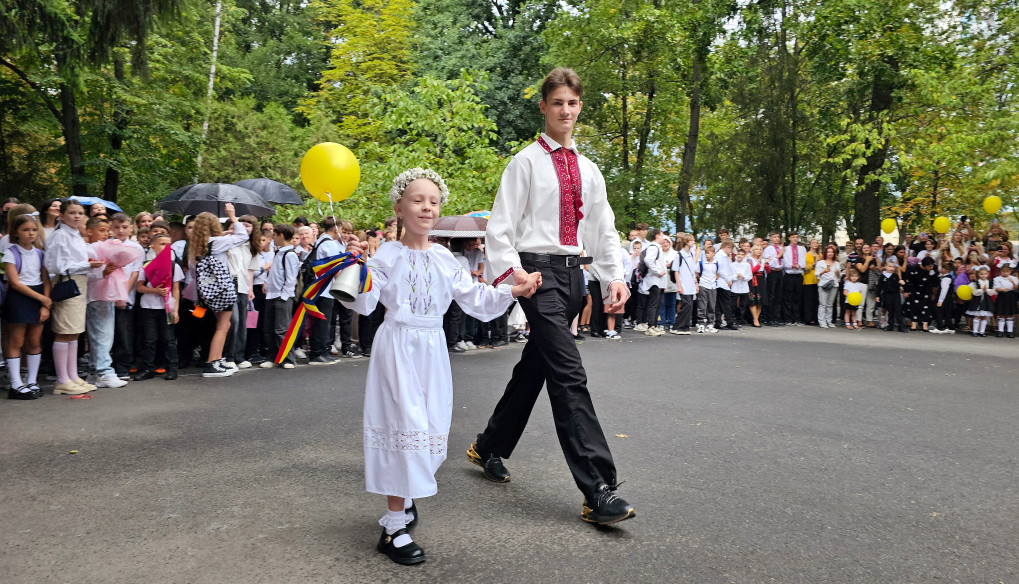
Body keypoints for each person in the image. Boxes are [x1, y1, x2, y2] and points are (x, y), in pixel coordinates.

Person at [341, 168, 538, 565]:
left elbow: (474, 297)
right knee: (403, 429)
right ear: (399, 207)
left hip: (432, 351)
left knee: (429, 428)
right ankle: (394, 527)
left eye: (433, 201)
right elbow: (363, 301)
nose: (426, 207)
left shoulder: (445, 257)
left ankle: (405, 497)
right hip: (397, 349)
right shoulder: (386, 255)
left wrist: (513, 290)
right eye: (417, 200)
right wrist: (356, 267)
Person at [469, 68, 637, 527]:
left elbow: (603, 228)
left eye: (573, 103)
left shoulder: (590, 169)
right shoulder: (524, 162)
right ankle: (597, 489)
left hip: (573, 276)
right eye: (557, 102)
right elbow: (501, 227)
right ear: (544, 107)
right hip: (537, 276)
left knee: (536, 367)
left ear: (580, 107)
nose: (565, 110)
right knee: (568, 373)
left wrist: (613, 277)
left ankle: (488, 445)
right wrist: (515, 274)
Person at [45, 200, 104, 395]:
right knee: (65, 330)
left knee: (75, 331)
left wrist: (88, 263)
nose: (77, 216)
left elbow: (75, 261)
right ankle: (62, 379)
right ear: (62, 216)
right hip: (67, 282)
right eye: (72, 213)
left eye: (80, 213)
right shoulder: (60, 236)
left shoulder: (76, 234)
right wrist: (87, 265)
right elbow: (56, 266)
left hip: (79, 281)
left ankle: (72, 375)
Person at [188, 205, 249, 377]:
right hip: (223, 290)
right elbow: (243, 236)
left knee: (223, 325)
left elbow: (193, 272)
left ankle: (217, 359)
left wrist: (224, 234)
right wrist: (233, 217)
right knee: (223, 326)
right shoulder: (217, 243)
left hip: (208, 293)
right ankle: (212, 363)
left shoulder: (196, 247)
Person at [3, 213, 51, 399]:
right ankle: (16, 384)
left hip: (38, 296)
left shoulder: (40, 253)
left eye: (34, 230)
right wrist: (43, 299)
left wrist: (45, 304)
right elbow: (15, 283)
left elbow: (45, 280)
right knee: (17, 341)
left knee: (34, 341)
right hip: (19, 297)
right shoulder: (11, 253)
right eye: (25, 230)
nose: (31, 233)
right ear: (15, 232)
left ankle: (32, 380)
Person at [133, 233, 182, 380]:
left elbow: (176, 289)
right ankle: (148, 368)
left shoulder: (174, 266)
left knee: (168, 339)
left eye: (168, 244)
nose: (166, 247)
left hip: (167, 308)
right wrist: (155, 291)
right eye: (162, 244)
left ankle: (172, 368)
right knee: (149, 339)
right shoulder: (147, 266)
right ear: (153, 247)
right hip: (148, 307)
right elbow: (139, 287)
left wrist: (176, 310)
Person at [260, 224, 300, 369]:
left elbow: (291, 278)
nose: (273, 238)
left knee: (282, 329)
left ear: (281, 235)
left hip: (282, 296)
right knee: (269, 328)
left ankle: (288, 358)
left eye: (275, 235)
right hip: (272, 295)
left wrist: (284, 296)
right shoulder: (279, 253)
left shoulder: (289, 255)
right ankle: (273, 357)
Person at [307, 216, 344, 365]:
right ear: (335, 229)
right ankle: (318, 352)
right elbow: (334, 267)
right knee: (323, 322)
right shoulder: (330, 244)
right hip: (325, 288)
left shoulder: (320, 241)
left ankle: (322, 350)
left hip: (319, 287)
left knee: (322, 321)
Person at [635, 228, 666, 335]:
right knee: (653, 303)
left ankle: (654, 325)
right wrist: (658, 271)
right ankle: (651, 326)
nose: (663, 238)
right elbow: (648, 260)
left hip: (658, 281)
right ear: (657, 236)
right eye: (661, 235)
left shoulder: (657, 247)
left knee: (658, 303)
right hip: (654, 280)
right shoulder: (653, 247)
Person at [670, 233, 697, 335]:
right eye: (692, 240)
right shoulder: (679, 255)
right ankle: (678, 326)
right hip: (683, 283)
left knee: (689, 306)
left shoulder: (692, 254)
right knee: (686, 304)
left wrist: (695, 283)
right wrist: (679, 285)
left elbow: (693, 270)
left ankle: (685, 326)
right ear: (687, 242)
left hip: (690, 283)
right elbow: (676, 271)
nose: (693, 242)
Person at [781, 233, 807, 326]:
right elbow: (784, 262)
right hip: (789, 274)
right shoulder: (786, 249)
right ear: (789, 238)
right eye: (793, 237)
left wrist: (799, 265)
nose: (795, 239)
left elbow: (803, 262)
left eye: (796, 237)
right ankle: (787, 318)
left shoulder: (802, 249)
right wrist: (791, 265)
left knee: (797, 297)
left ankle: (796, 318)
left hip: (798, 274)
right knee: (788, 297)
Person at [814, 244, 841, 328]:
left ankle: (829, 321)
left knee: (830, 304)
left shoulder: (837, 263)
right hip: (823, 284)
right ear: (825, 253)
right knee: (823, 304)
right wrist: (824, 271)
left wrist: (837, 273)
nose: (830, 253)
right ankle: (822, 321)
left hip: (834, 284)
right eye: (828, 252)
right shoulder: (820, 263)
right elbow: (816, 274)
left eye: (832, 252)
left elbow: (839, 277)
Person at [761, 231, 784, 325]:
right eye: (774, 237)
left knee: (778, 295)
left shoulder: (781, 248)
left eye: (778, 237)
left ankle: (776, 316)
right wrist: (778, 255)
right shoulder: (769, 249)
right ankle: (769, 317)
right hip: (772, 271)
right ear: (771, 238)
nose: (777, 239)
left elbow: (784, 261)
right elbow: (769, 262)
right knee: (771, 295)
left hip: (780, 271)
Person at [696, 246, 720, 333]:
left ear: (713, 253)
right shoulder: (702, 263)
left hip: (712, 286)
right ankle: (701, 323)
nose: (707, 255)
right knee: (702, 305)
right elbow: (697, 273)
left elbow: (718, 273)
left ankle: (710, 323)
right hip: (703, 284)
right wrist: (701, 280)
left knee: (711, 305)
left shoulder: (716, 263)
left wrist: (714, 279)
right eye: (706, 253)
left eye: (708, 253)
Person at [966, 267, 994, 337]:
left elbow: (992, 292)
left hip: (986, 301)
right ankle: (975, 331)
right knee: (977, 316)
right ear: (978, 274)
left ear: (988, 274)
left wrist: (987, 290)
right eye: (981, 274)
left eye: (985, 274)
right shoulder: (976, 282)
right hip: (977, 301)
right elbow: (974, 293)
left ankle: (982, 331)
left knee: (984, 316)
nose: (983, 276)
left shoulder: (990, 282)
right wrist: (981, 290)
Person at [992, 264, 1017, 338]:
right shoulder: (997, 279)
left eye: (1007, 271)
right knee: (1001, 314)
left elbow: (1016, 287)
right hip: (1002, 296)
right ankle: (1000, 331)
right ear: (1000, 271)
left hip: (1010, 296)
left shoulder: (1014, 278)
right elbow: (997, 289)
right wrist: (1002, 289)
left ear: (1010, 271)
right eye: (1003, 271)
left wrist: (1013, 282)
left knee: (1010, 314)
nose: (1005, 273)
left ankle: (1010, 331)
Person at [747, 244, 767, 327]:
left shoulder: (763, 260)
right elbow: (751, 270)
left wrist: (766, 265)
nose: (758, 251)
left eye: (760, 249)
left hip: (761, 279)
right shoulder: (750, 259)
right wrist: (759, 264)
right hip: (753, 279)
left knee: (760, 301)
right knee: (753, 300)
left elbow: (767, 271)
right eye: (756, 249)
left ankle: (756, 318)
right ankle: (755, 319)